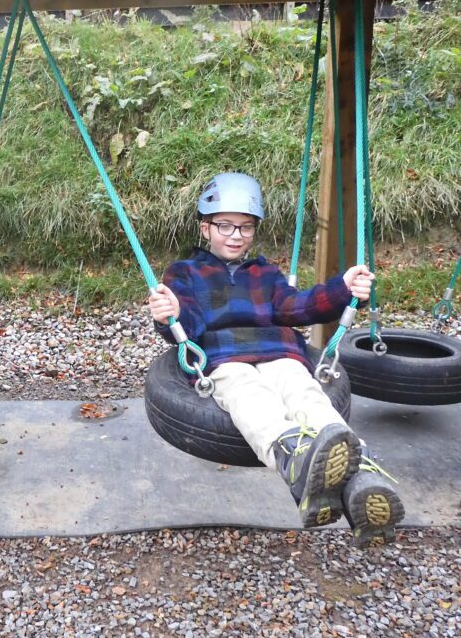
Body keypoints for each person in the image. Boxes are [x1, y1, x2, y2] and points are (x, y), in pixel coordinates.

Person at [147, 172, 405, 547]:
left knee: (307, 395)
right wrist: (169, 314)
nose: (236, 235)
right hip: (223, 357)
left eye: (246, 227)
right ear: (205, 228)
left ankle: (361, 477)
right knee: (251, 397)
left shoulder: (264, 272)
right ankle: (296, 461)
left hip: (280, 351)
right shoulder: (184, 273)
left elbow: (295, 307)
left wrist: (343, 289)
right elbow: (187, 324)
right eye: (225, 226)